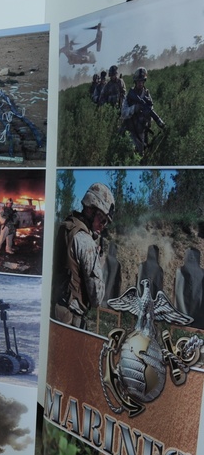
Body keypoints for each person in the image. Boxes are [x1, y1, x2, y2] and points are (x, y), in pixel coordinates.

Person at [53, 182, 114, 328]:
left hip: (56, 309)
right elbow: (96, 298)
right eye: (103, 219)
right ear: (91, 210)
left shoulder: (67, 226)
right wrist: (99, 260)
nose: (103, 225)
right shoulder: (85, 241)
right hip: (70, 319)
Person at [121, 67, 165, 153]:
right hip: (131, 131)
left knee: (142, 154)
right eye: (138, 81)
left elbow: (151, 113)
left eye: (142, 81)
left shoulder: (147, 94)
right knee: (131, 153)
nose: (140, 83)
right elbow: (123, 113)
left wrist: (149, 116)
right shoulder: (130, 96)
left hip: (142, 131)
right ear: (135, 82)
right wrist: (134, 108)